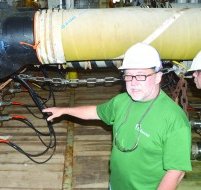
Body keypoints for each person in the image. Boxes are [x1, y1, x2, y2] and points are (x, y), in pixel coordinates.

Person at [43, 43, 192, 190]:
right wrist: (65, 110)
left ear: (158, 77)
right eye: (128, 76)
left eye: (141, 76)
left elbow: (176, 172)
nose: (133, 83)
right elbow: (95, 112)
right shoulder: (121, 101)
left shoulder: (175, 120)